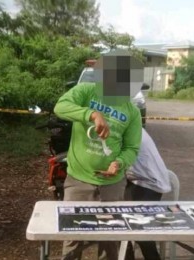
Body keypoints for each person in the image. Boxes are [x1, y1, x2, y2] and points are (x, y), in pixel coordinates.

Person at [54, 50, 143, 260]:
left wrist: (119, 163)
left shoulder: (132, 111)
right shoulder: (86, 91)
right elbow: (60, 106)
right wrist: (92, 114)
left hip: (112, 185)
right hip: (78, 181)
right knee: (72, 238)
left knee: (110, 241)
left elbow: (132, 148)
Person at [124, 127, 171, 260]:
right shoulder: (129, 122)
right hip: (138, 180)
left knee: (138, 230)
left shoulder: (123, 127)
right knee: (123, 225)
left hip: (149, 182)